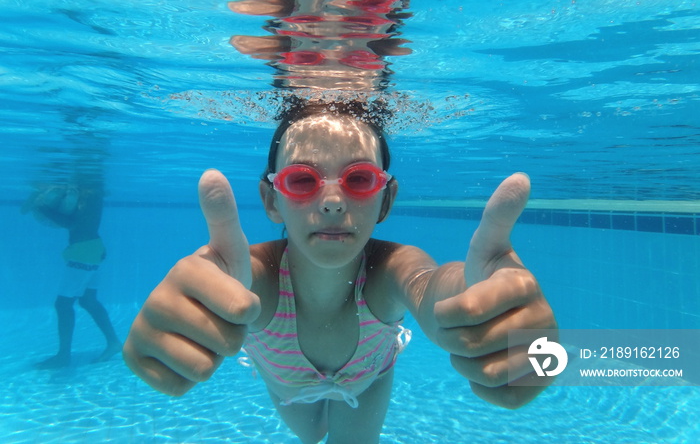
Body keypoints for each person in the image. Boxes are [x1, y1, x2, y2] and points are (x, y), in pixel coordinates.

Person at [123, 97, 557, 443]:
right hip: (286, 380)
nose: (331, 201)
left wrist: (477, 299)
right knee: (312, 434)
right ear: (272, 199)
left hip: (369, 377)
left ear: (386, 199)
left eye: (359, 179)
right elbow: (224, 284)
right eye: (302, 180)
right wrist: (201, 292)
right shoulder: (254, 278)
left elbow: (429, 287)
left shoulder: (392, 267)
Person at [23, 179, 122, 369]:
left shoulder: (88, 193)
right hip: (92, 248)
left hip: (83, 252)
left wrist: (42, 207)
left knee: (63, 304)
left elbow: (71, 222)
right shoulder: (92, 192)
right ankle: (113, 343)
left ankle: (63, 356)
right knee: (88, 301)